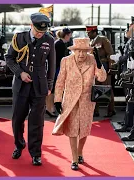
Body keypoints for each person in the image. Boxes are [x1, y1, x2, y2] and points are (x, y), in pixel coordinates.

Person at [5, 12, 55, 166]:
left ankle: (36, 153)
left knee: (37, 121)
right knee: (17, 119)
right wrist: (20, 73)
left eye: (43, 32)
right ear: (31, 26)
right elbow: (9, 58)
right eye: (38, 31)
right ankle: (19, 145)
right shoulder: (19, 38)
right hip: (21, 85)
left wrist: (50, 85)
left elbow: (51, 64)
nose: (40, 34)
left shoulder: (50, 40)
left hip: (39, 86)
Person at [52, 37, 107, 170]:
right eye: (78, 51)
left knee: (84, 129)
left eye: (84, 51)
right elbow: (60, 82)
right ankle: (74, 158)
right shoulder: (66, 61)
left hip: (86, 100)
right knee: (72, 128)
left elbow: (102, 78)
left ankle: (80, 152)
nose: (81, 54)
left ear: (88, 51)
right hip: (70, 99)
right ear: (74, 51)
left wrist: (99, 64)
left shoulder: (92, 60)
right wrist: (57, 100)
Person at [86, 25, 115, 117]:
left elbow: (110, 54)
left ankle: (111, 110)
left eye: (89, 33)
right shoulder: (91, 42)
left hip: (104, 65)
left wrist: (111, 67)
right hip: (95, 66)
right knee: (96, 89)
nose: (88, 35)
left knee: (107, 88)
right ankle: (96, 110)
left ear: (94, 32)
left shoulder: (103, 39)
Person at [45, 27, 72, 117]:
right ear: (67, 35)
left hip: (57, 68)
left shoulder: (60, 43)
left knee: (54, 89)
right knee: (53, 89)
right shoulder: (60, 44)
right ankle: (50, 108)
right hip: (56, 68)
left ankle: (51, 108)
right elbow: (59, 59)